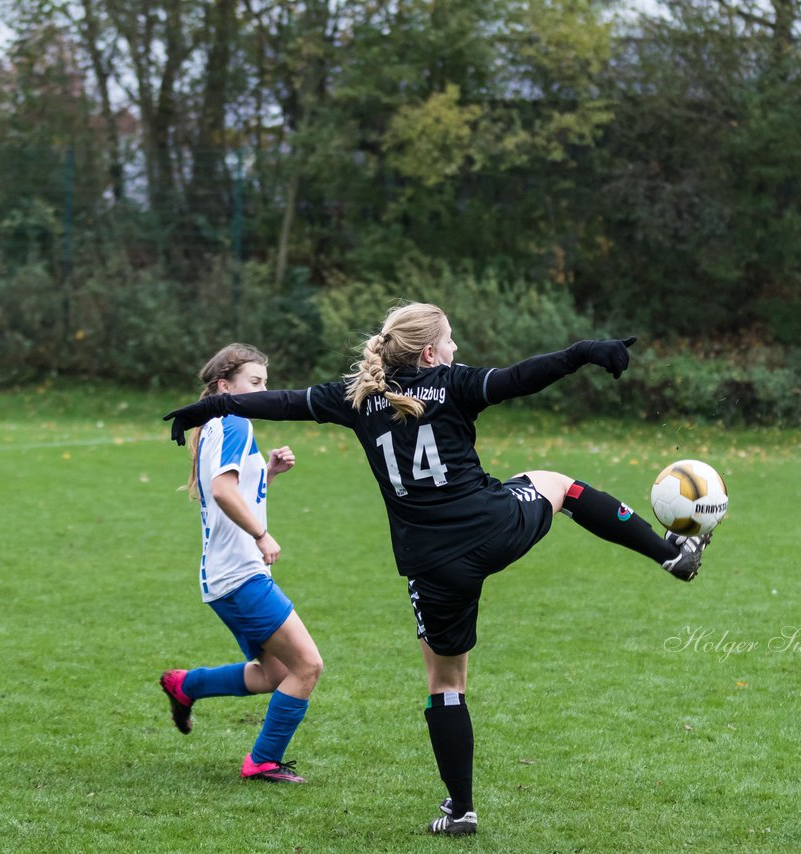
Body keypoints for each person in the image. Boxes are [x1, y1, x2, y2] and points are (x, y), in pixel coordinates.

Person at [163, 304, 711, 833]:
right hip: (491, 527)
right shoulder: (453, 383)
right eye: (450, 340)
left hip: (431, 566)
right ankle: (673, 555)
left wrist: (210, 408)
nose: (456, 349)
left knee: (446, 684)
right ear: (429, 354)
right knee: (559, 485)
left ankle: (461, 811)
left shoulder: (353, 398)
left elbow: (281, 403)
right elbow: (523, 377)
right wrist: (582, 352)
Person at [158, 343, 323, 784]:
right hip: (240, 575)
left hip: (226, 576)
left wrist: (266, 473)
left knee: (275, 672)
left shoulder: (215, 426)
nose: (261, 391)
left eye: (264, 384)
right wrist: (262, 534)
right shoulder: (233, 421)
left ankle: (185, 685)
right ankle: (262, 760)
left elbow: (232, 488)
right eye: (254, 383)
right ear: (224, 386)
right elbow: (225, 492)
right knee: (308, 666)